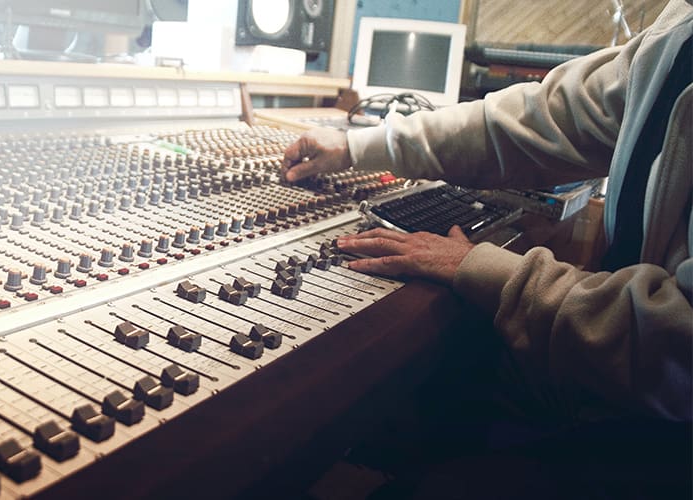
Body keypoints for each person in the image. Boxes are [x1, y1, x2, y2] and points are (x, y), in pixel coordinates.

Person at [283, 1, 691, 496]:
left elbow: (677, 344)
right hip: (621, 389)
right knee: (443, 383)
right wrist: (357, 147)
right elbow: (533, 123)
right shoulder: (677, 30)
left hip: (667, 435)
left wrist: (482, 267)